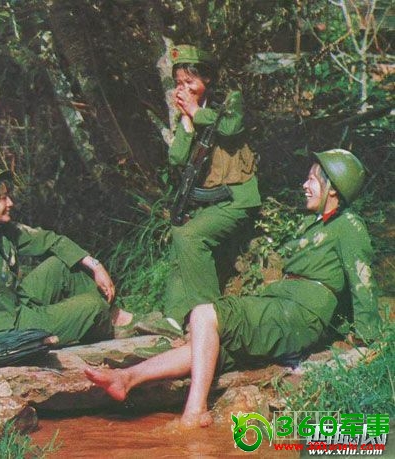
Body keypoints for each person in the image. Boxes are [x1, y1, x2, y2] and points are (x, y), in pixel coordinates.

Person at [86, 149, 382, 428]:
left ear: (333, 189)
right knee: (207, 346)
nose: (305, 185)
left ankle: (195, 411)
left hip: (297, 314)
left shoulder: (349, 225)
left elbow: (362, 280)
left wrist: (367, 339)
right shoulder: (316, 223)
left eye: (312, 180)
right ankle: (127, 378)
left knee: (204, 314)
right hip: (283, 309)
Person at [0, 163, 134, 346]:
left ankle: (118, 317)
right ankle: (105, 323)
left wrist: (95, 265)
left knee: (63, 266)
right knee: (92, 306)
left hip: (15, 303)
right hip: (9, 329)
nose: (10, 203)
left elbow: (50, 240)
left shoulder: (1, 229)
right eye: (3, 198)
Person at [163, 44, 261, 330]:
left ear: (206, 79)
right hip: (211, 204)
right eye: (179, 83)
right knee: (180, 239)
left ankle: (210, 320)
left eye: (189, 81)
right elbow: (177, 158)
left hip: (237, 199)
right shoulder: (189, 114)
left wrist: (196, 112)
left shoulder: (230, 102)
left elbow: (230, 128)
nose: (183, 89)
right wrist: (186, 121)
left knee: (190, 237)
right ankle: (173, 318)